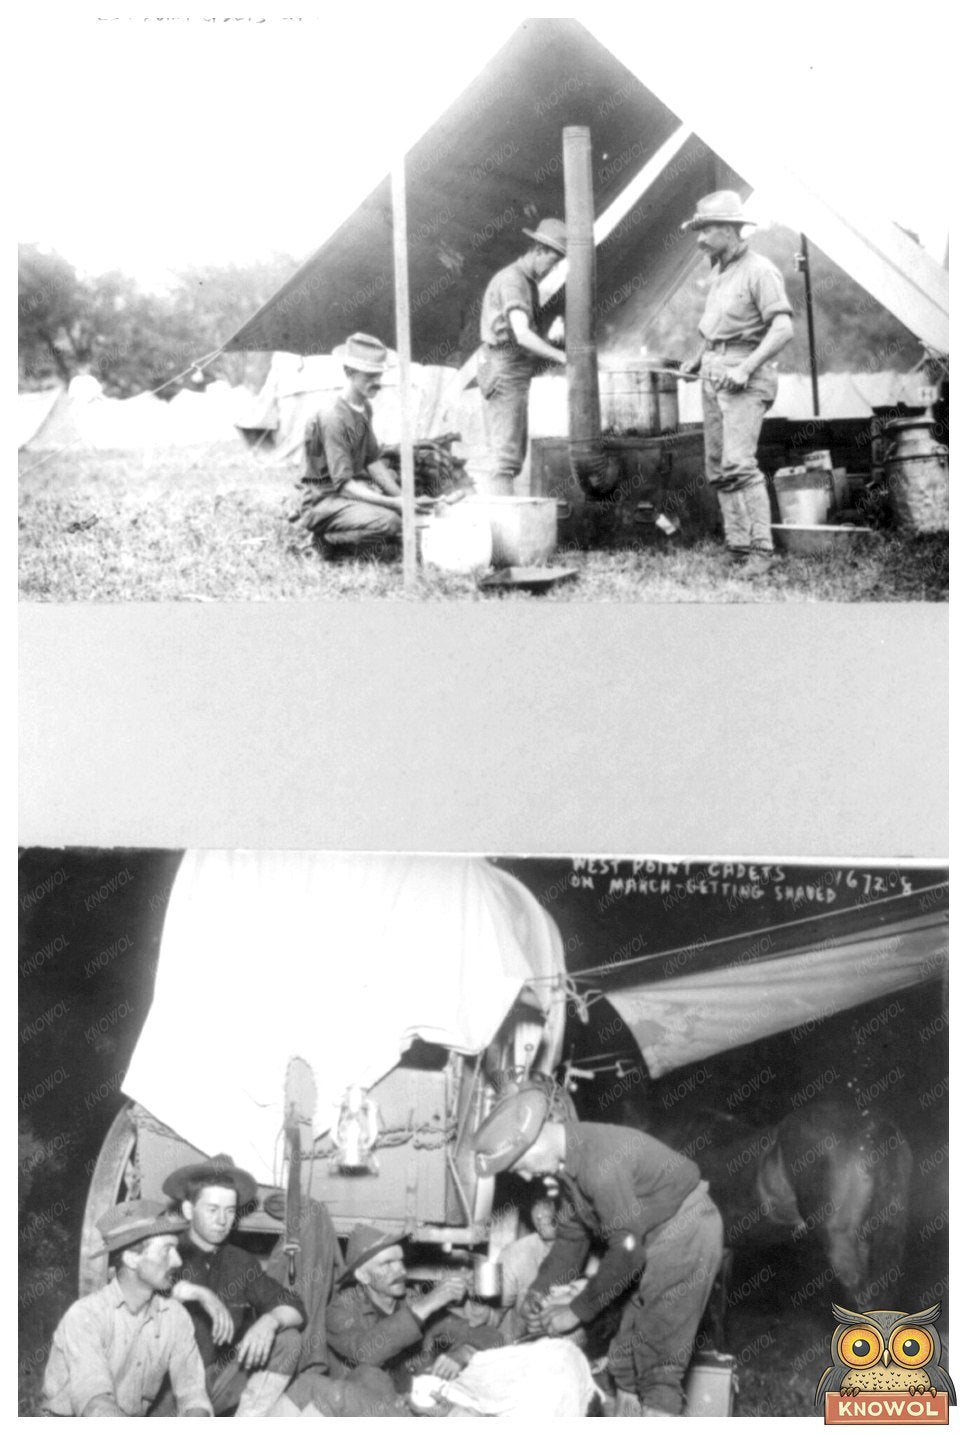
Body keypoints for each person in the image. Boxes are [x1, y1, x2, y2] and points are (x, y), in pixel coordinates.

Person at [472, 1086, 723, 1418]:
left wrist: (576, 1310)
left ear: (536, 1139)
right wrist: (539, 1289)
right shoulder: (567, 1167)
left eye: (519, 1164)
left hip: (684, 1233)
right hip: (650, 1239)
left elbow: (629, 1252)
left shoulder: (598, 1160)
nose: (526, 1175)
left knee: (658, 1367)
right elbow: (571, 1238)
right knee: (624, 1361)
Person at [679, 191, 794, 576]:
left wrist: (745, 368)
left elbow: (782, 329)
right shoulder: (720, 271)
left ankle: (762, 552)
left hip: (745, 377)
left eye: (706, 229)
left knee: (740, 465)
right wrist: (698, 356)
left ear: (730, 229)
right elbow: (715, 328)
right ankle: (738, 546)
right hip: (714, 372)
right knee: (718, 467)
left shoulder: (760, 270)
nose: (699, 238)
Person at [161, 1154, 306, 1417]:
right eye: (212, 1209)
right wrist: (197, 1293)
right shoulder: (167, 1249)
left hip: (218, 1380)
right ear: (187, 1210)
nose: (222, 1220)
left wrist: (270, 1320)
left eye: (229, 1211)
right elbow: (144, 1300)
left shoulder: (240, 1261)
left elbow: (295, 1307)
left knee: (289, 1339)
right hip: (170, 1388)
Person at [41, 1199, 212, 1417]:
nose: (178, 1261)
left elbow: (193, 1395)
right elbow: (96, 1405)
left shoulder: (175, 1317)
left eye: (176, 1250)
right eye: (167, 1250)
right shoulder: (86, 1315)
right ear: (132, 1258)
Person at [292, 332, 434, 557]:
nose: (377, 382)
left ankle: (356, 540)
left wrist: (406, 500)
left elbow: (373, 462)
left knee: (398, 519)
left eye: (379, 374)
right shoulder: (333, 417)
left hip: (345, 497)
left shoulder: (364, 408)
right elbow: (344, 485)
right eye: (369, 376)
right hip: (323, 502)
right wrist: (395, 504)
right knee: (389, 522)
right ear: (348, 372)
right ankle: (321, 543)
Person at [326, 1224, 504, 1389]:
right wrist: (427, 1304)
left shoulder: (410, 1300)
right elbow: (365, 1353)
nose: (401, 1271)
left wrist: (463, 1353)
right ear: (363, 1276)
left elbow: (491, 1335)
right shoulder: (340, 1310)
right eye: (387, 1264)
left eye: (400, 1261)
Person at [477, 219, 568, 494]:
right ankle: (502, 530)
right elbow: (522, 334)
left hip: (513, 370)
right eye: (551, 263)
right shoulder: (514, 281)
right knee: (504, 457)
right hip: (505, 371)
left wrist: (553, 344)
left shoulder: (526, 282)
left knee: (511, 454)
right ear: (539, 250)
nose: (550, 270)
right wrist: (561, 357)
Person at [498, 1195, 558, 1337]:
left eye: (549, 1203)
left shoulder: (591, 1253)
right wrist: (523, 1317)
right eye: (537, 1203)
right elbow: (493, 1316)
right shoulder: (515, 1255)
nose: (540, 1214)